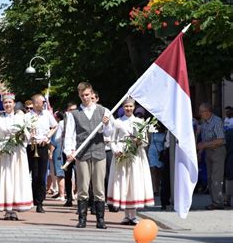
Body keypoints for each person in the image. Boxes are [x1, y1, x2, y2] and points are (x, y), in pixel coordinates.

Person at [64, 82, 112, 229]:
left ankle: (100, 219)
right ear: (79, 95)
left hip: (99, 152)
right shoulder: (73, 114)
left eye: (87, 94)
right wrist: (69, 151)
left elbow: (109, 133)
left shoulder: (103, 111)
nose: (85, 97)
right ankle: (82, 219)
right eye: (82, 95)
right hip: (82, 153)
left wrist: (106, 124)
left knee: (99, 187)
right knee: (83, 187)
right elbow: (70, 134)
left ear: (92, 94)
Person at [107, 98, 154, 225]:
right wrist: (116, 151)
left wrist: (138, 141)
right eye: (126, 106)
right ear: (123, 107)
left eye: (131, 106)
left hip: (136, 156)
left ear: (134, 107)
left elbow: (145, 141)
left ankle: (133, 215)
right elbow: (112, 140)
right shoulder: (117, 122)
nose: (128, 109)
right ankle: (126, 215)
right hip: (122, 155)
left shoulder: (140, 122)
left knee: (134, 182)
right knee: (122, 182)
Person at [0, 93, 33, 220]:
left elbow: (28, 135)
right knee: (5, 179)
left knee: (17, 179)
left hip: (18, 153)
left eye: (10, 102)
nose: (7, 105)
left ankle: (15, 207)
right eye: (5, 103)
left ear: (14, 104)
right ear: (2, 104)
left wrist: (23, 136)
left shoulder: (22, 118)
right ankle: (7, 208)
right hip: (4, 153)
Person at [25, 94, 58, 213]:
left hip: (43, 146)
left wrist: (48, 136)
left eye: (44, 102)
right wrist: (29, 135)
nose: (44, 104)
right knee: (34, 174)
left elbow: (55, 126)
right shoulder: (27, 116)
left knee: (42, 174)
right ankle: (33, 199)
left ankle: (40, 201)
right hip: (32, 146)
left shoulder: (47, 114)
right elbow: (23, 130)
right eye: (42, 102)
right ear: (35, 103)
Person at [197, 102, 226, 210]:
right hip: (208, 152)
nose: (199, 113)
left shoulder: (216, 121)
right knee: (210, 178)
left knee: (216, 178)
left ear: (208, 112)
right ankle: (215, 202)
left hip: (217, 151)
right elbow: (204, 139)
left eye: (201, 111)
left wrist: (204, 145)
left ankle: (218, 203)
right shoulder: (204, 122)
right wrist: (200, 151)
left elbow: (220, 139)